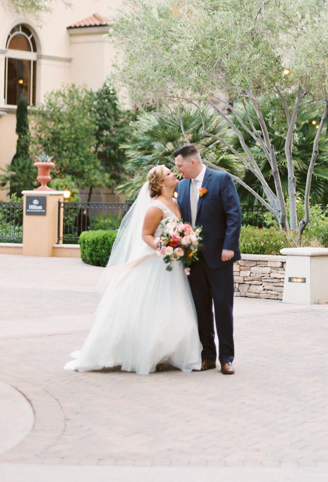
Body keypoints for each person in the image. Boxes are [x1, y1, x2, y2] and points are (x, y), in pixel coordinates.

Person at [64, 165, 201, 375]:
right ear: (161, 182)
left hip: (173, 266)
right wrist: (163, 247)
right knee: (149, 308)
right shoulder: (155, 207)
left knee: (171, 308)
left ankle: (169, 352)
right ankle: (141, 352)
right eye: (168, 173)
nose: (174, 174)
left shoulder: (174, 202)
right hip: (156, 264)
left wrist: (182, 242)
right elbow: (146, 235)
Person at [173, 144, 242, 375]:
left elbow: (234, 214)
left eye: (180, 166)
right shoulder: (181, 186)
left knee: (223, 308)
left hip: (220, 257)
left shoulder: (221, 179)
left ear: (192, 162)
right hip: (193, 260)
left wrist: (229, 246)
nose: (178, 171)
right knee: (201, 310)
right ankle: (207, 356)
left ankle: (226, 358)